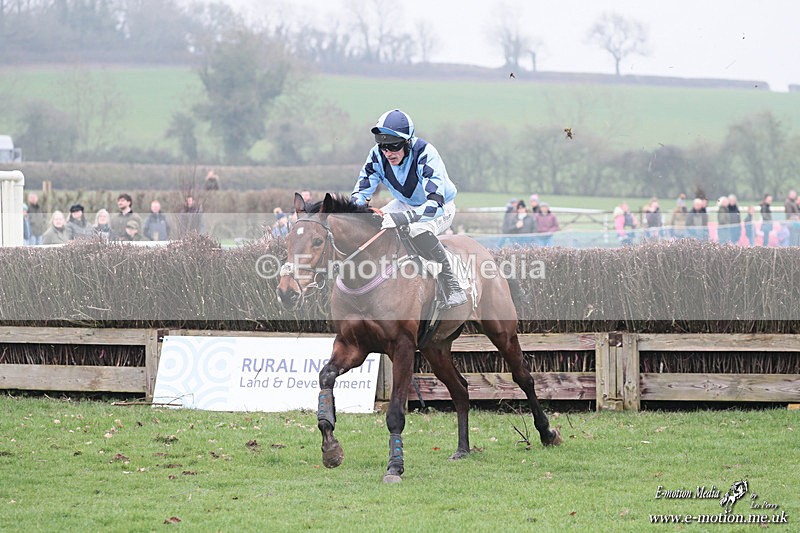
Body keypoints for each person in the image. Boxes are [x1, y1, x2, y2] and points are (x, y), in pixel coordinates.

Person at [351, 108, 466, 308]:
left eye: (393, 146)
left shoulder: (425, 154)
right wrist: (356, 214)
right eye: (383, 145)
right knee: (371, 229)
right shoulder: (376, 156)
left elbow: (435, 205)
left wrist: (402, 219)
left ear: (407, 142)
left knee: (417, 229)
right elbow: (360, 193)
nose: (388, 152)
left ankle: (452, 284)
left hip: (439, 206)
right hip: (404, 203)